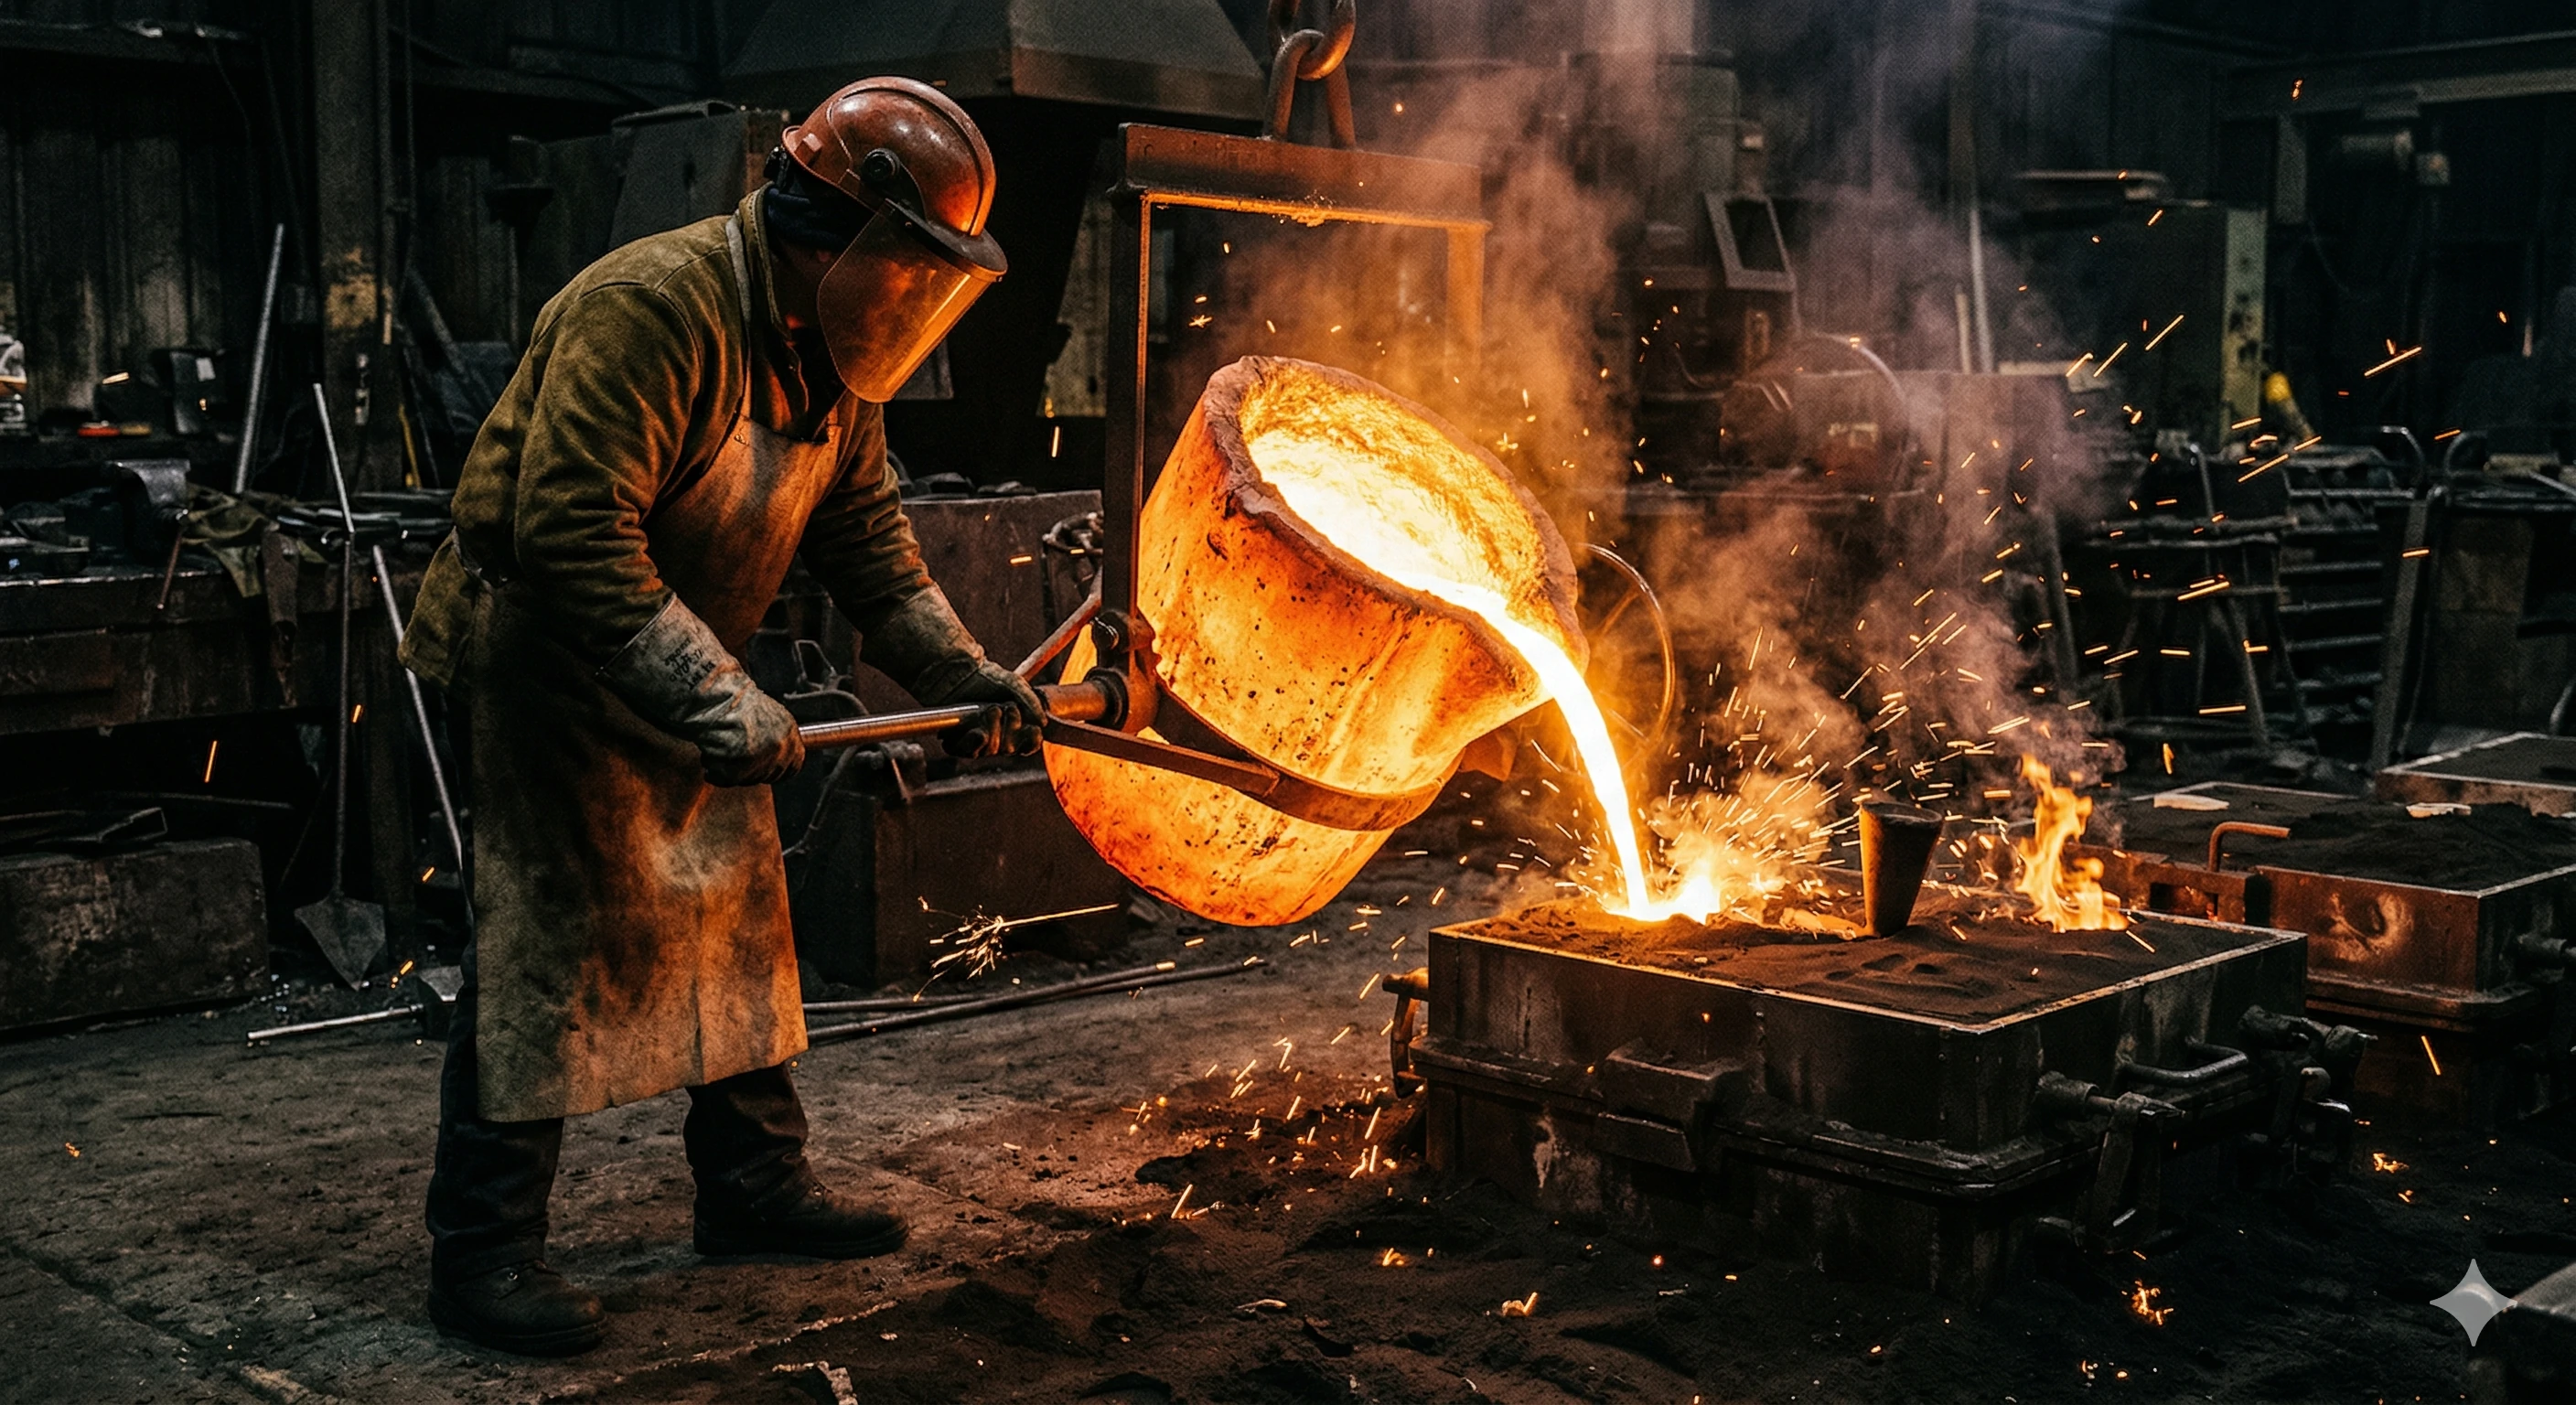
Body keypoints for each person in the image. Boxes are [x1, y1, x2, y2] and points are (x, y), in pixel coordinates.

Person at [398, 77, 1042, 1357]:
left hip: (683, 653)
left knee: (738, 918)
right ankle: (483, 1251)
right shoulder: (654, 308)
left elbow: (869, 544)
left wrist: (963, 674)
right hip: (547, 656)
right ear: (837, 233)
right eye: (904, 265)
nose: (910, 296)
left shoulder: (835, 352)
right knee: (547, 944)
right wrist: (709, 688)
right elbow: (567, 530)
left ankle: (751, 1189)